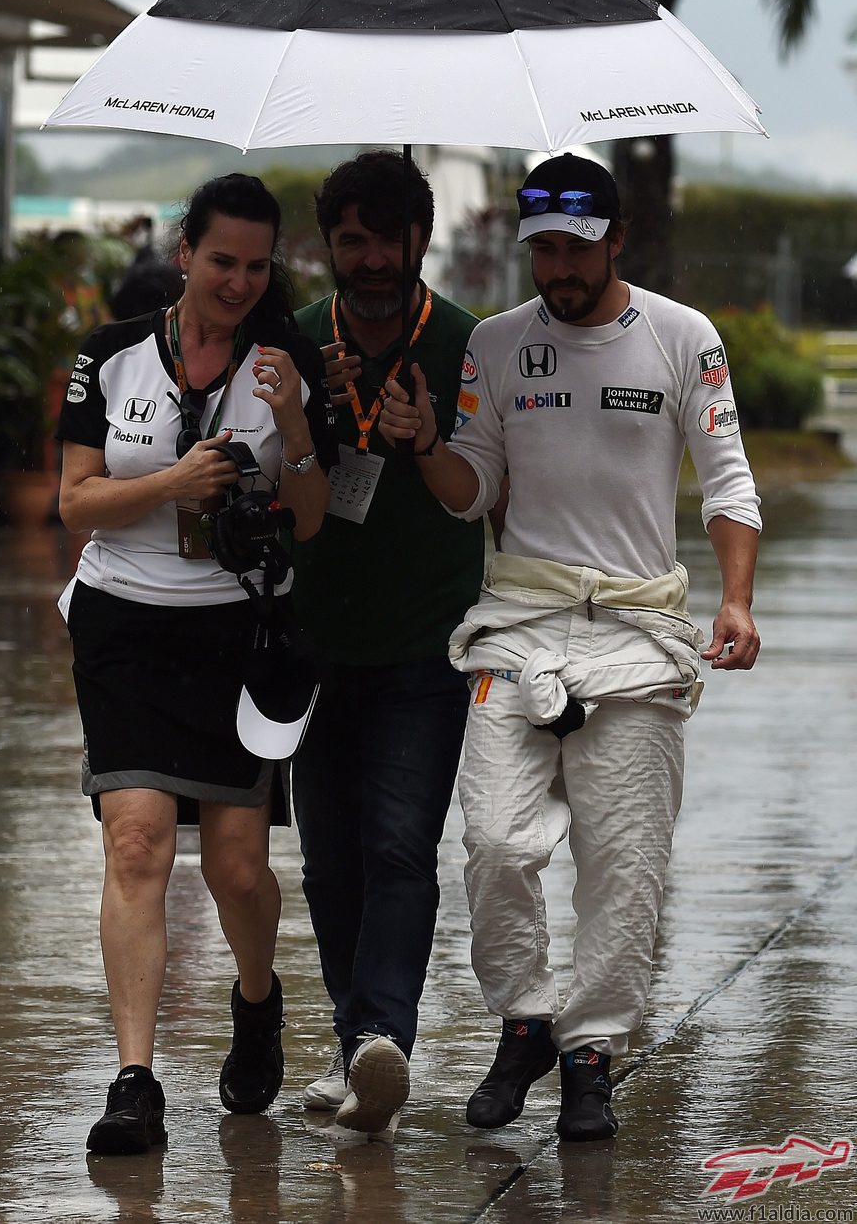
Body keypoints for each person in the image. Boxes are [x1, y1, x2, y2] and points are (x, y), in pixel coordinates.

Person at [379, 153, 762, 1142]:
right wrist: (424, 442)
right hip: (517, 624)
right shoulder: (498, 347)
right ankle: (525, 1017)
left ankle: (590, 1053)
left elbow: (728, 479)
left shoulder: (686, 338)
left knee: (622, 861)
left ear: (615, 238)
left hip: (638, 634)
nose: (559, 266)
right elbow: (471, 489)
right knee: (498, 839)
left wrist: (737, 600)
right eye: (543, 248)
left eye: (577, 248)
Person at [56, 173, 337, 1154]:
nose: (239, 281)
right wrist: (175, 481)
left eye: (258, 266)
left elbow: (308, 517)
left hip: (235, 631)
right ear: (185, 253)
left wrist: (297, 426)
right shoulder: (113, 355)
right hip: (124, 625)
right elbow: (75, 502)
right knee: (136, 843)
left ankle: (257, 1001)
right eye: (222, 261)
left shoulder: (283, 360)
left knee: (237, 866)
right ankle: (135, 1077)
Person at [290, 150, 487, 1135]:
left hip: (426, 642)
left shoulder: (466, 344)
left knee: (401, 844)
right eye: (350, 239)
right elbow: (269, 504)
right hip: (314, 643)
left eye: (387, 237)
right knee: (329, 862)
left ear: (422, 235)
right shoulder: (286, 345)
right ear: (328, 243)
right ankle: (352, 1044)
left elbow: (487, 499)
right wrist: (311, 425)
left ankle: (383, 1038)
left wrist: (423, 436)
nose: (369, 259)